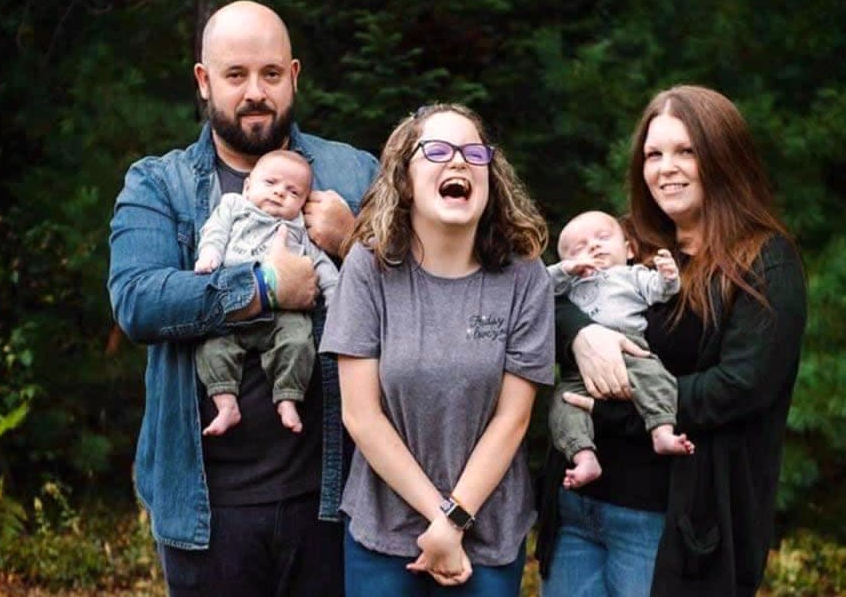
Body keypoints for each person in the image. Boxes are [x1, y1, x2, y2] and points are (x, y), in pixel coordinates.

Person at [107, 0, 378, 597]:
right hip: (208, 509)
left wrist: (351, 240)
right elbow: (138, 300)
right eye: (236, 76)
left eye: (271, 74)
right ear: (204, 82)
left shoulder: (352, 174)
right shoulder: (159, 183)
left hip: (333, 499)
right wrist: (262, 287)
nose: (256, 92)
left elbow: (421, 291)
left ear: (295, 76)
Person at [536, 85, 807, 597]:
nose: (667, 168)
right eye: (654, 154)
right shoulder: (627, 242)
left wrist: (614, 406)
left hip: (668, 524)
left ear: (725, 156)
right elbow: (540, 299)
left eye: (686, 151)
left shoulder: (763, 262)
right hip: (577, 512)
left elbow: (740, 387)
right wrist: (583, 334)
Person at [319, 103, 554, 597]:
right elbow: (361, 415)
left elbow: (513, 419)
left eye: (473, 152)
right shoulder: (368, 268)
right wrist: (440, 519)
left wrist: (456, 520)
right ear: (404, 180)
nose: (459, 163)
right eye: (438, 151)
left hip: (490, 538)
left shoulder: (524, 276)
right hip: (382, 534)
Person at [195, 149, 339, 436]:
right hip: (234, 305)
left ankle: (287, 397)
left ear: (303, 203)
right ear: (248, 186)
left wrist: (336, 298)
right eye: (270, 183)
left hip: (285, 315)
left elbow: (321, 264)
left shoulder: (298, 227)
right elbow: (215, 231)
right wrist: (210, 254)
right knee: (212, 347)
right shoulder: (234, 206)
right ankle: (225, 404)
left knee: (299, 342)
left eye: (293, 191)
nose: (279, 193)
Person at [547, 210, 693, 490]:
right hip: (577, 367)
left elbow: (663, 291)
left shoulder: (632, 275)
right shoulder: (570, 284)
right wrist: (566, 270)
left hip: (630, 348)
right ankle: (584, 456)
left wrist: (668, 274)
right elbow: (538, 290)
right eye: (579, 247)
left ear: (628, 250)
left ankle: (662, 430)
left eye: (602, 238)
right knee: (562, 405)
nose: (592, 246)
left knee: (656, 377)